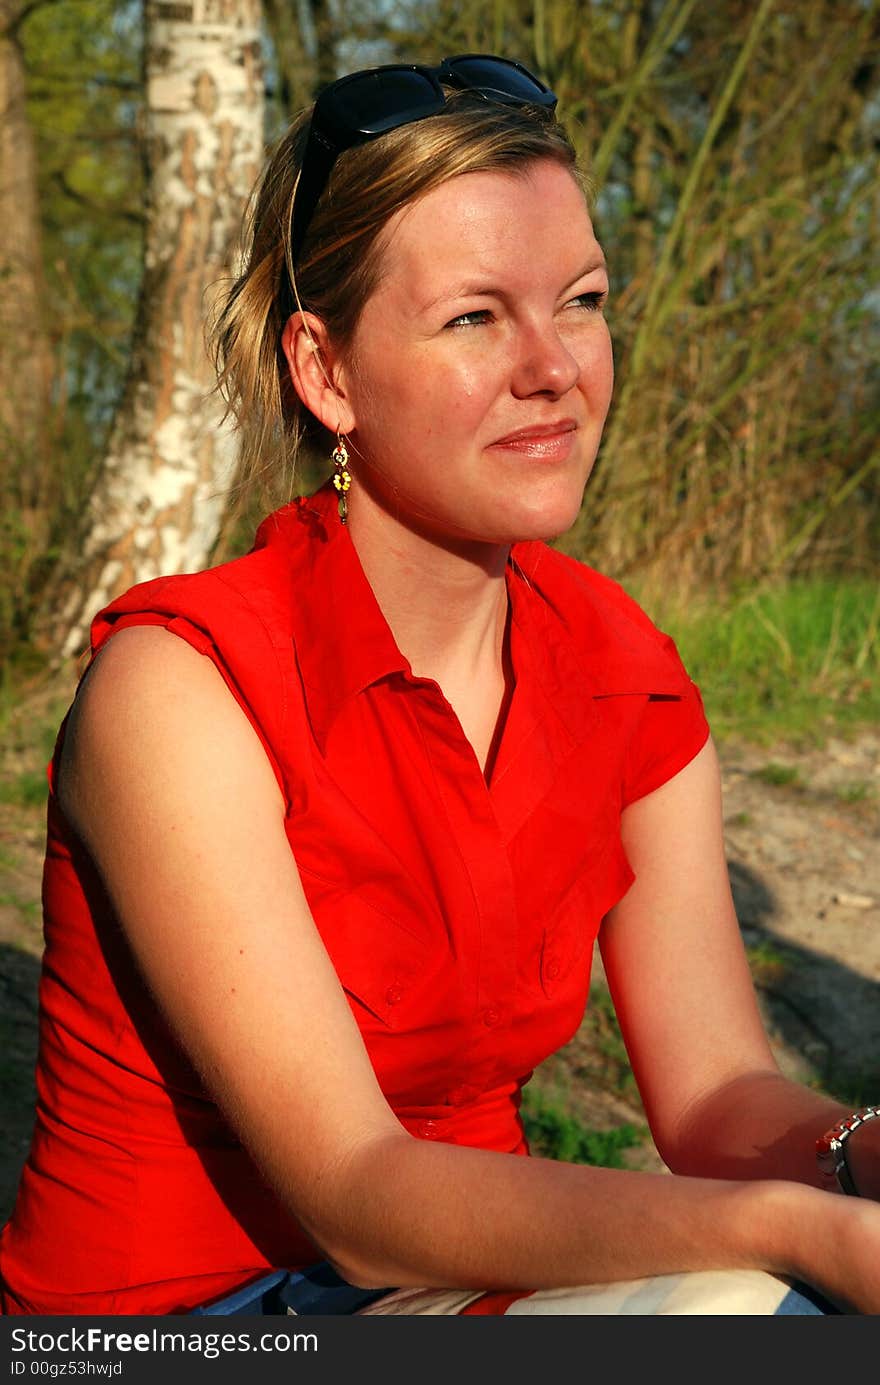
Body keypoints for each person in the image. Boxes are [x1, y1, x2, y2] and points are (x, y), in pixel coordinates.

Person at [1, 53, 879, 1319]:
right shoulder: (182, 690)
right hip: (172, 1324)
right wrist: (794, 1229)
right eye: (475, 316)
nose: (555, 366)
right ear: (326, 371)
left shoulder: (623, 671)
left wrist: (855, 1151)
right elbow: (353, 1194)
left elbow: (716, 1097)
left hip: (457, 1287)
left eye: (580, 299)